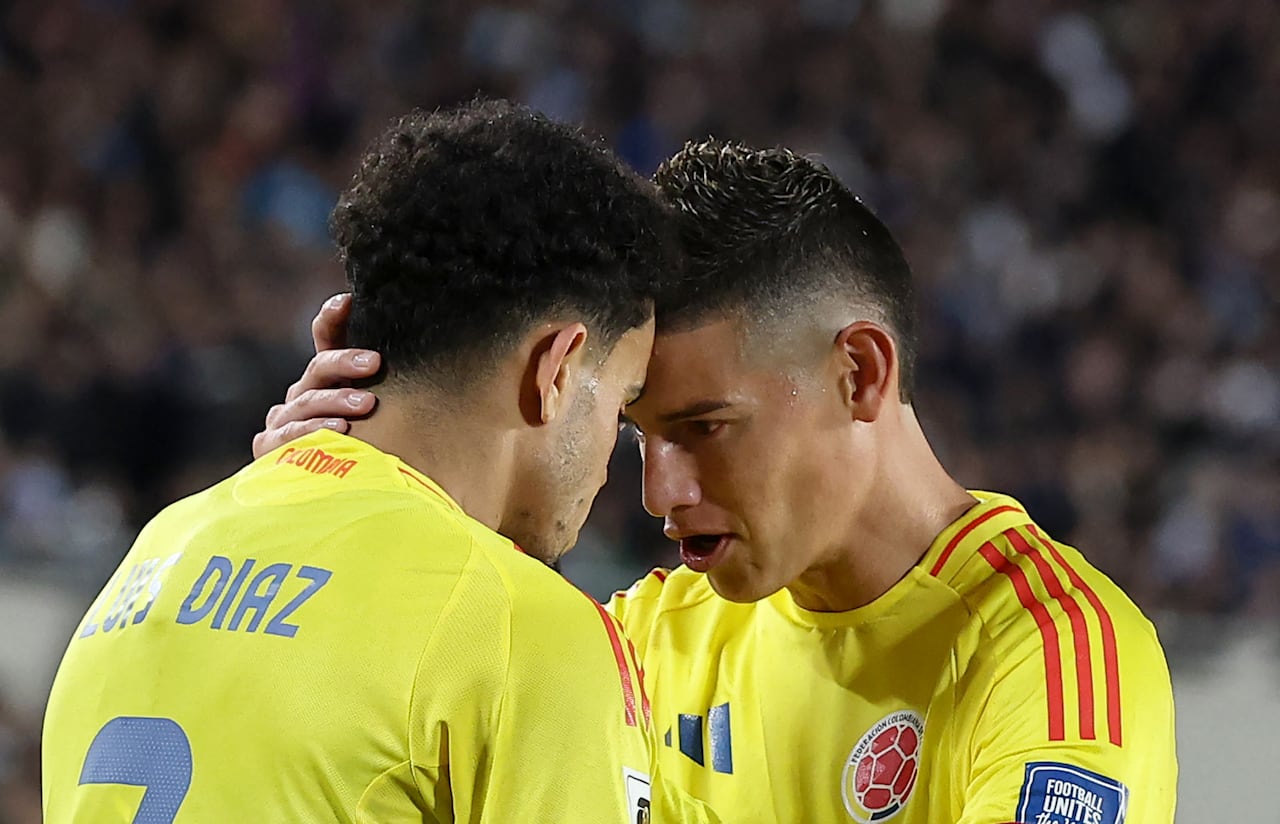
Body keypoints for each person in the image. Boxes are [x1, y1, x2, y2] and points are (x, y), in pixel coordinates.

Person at [257, 139, 1178, 823]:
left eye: (705, 429)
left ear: (860, 371)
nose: (660, 492)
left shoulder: (1053, 659)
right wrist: (334, 503)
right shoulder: (640, 644)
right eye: (637, 435)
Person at [42, 100, 719, 823]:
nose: (615, 471)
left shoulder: (158, 548)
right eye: (620, 406)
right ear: (556, 368)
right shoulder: (518, 624)